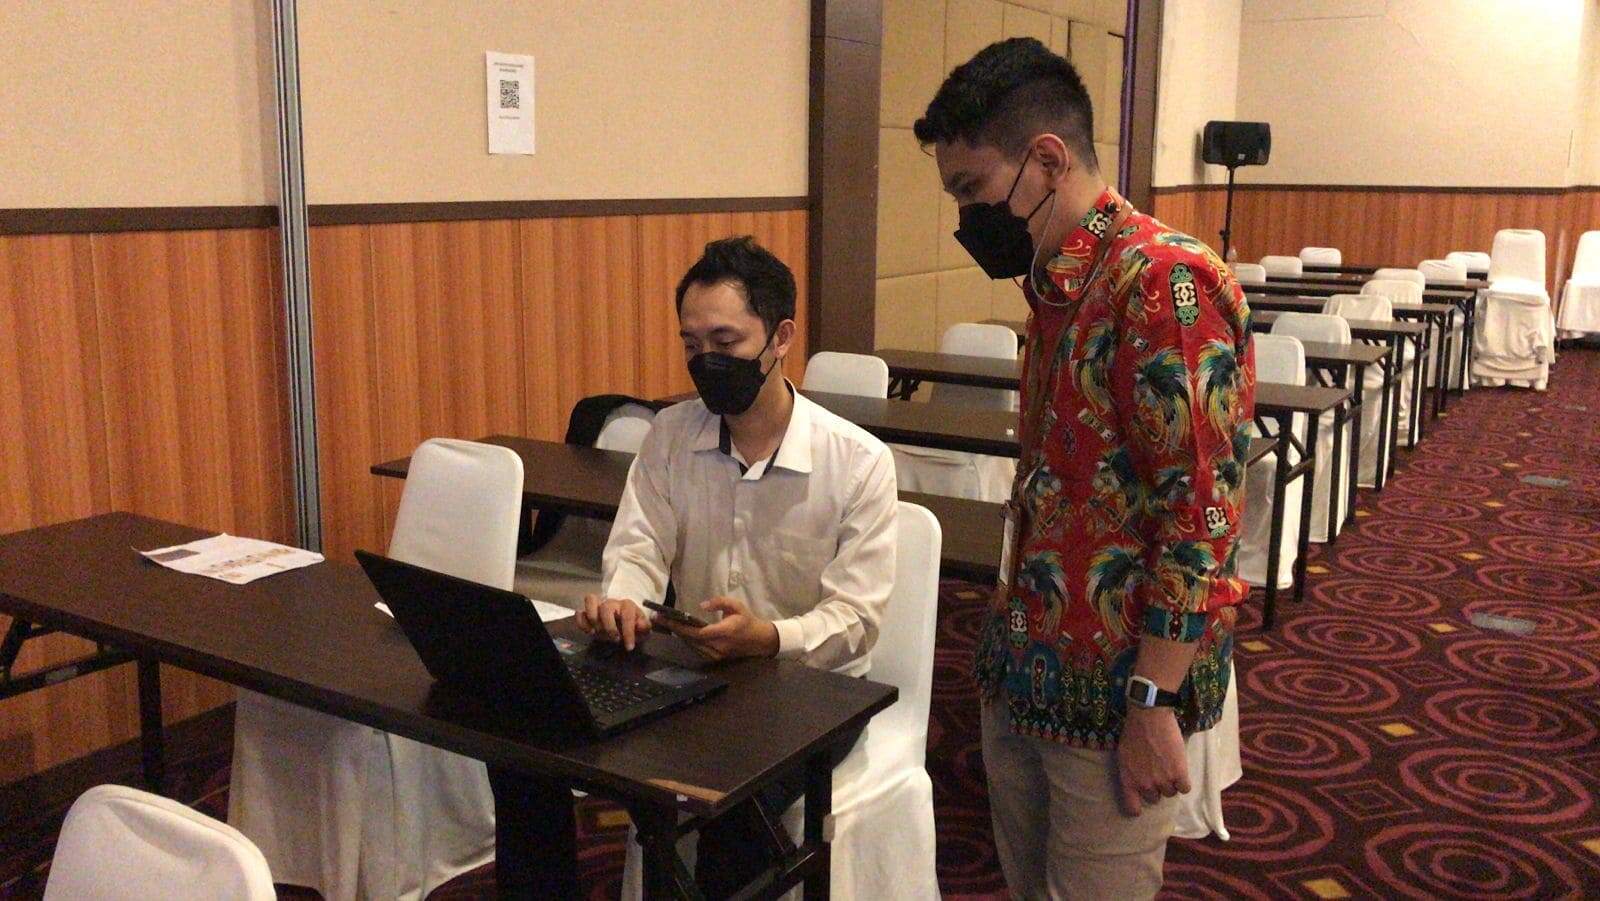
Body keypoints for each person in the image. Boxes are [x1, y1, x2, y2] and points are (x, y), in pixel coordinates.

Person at [914, 38, 1255, 899]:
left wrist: (1153, 700)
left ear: (1046, 160)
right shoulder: (1060, 282)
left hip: (1113, 691)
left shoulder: (1163, 282)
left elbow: (1202, 516)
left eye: (972, 189)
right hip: (1027, 663)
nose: (967, 218)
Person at [487, 236, 898, 899]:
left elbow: (856, 619)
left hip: (810, 691)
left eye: (726, 341)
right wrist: (625, 601)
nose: (707, 361)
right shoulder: (673, 433)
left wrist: (769, 637)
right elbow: (639, 545)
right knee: (522, 744)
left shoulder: (857, 461)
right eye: (691, 343)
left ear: (781, 337)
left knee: (725, 809)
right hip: (697, 669)